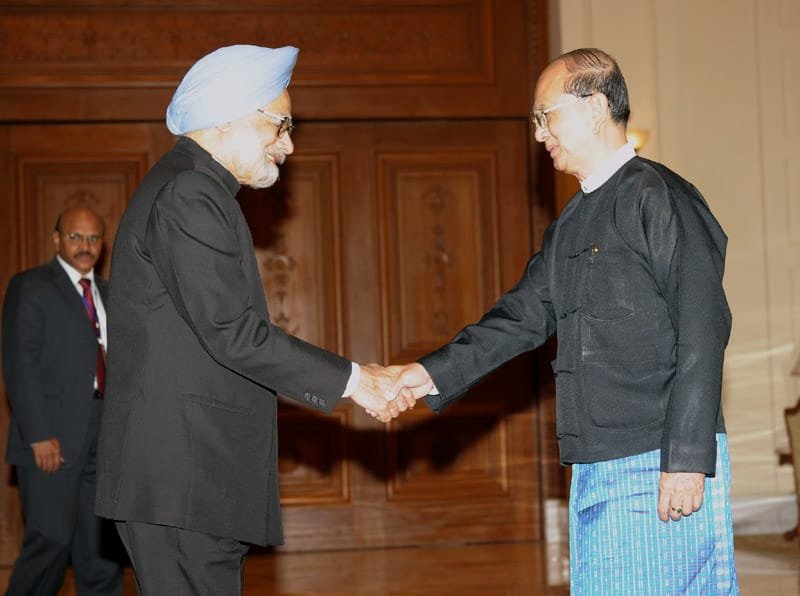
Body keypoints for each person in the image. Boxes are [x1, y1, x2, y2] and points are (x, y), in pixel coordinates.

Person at [389, 48, 738, 594]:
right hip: (595, 465)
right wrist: (427, 374)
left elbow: (703, 326)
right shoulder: (572, 220)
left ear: (595, 108)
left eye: (545, 116)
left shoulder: (660, 195)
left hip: (659, 462)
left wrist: (688, 460)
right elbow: (522, 315)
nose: (538, 134)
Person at [94, 44, 411, 594]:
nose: (288, 144)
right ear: (229, 116)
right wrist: (357, 381)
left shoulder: (193, 188)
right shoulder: (190, 192)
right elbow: (233, 332)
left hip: (188, 481)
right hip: (183, 479)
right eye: (280, 124)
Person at [2, 206, 123, 595]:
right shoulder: (30, 286)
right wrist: (38, 435)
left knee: (102, 552)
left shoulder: (110, 293)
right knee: (49, 543)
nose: (85, 246)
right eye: (75, 237)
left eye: (93, 238)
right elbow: (19, 364)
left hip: (104, 436)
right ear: (56, 239)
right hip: (52, 438)